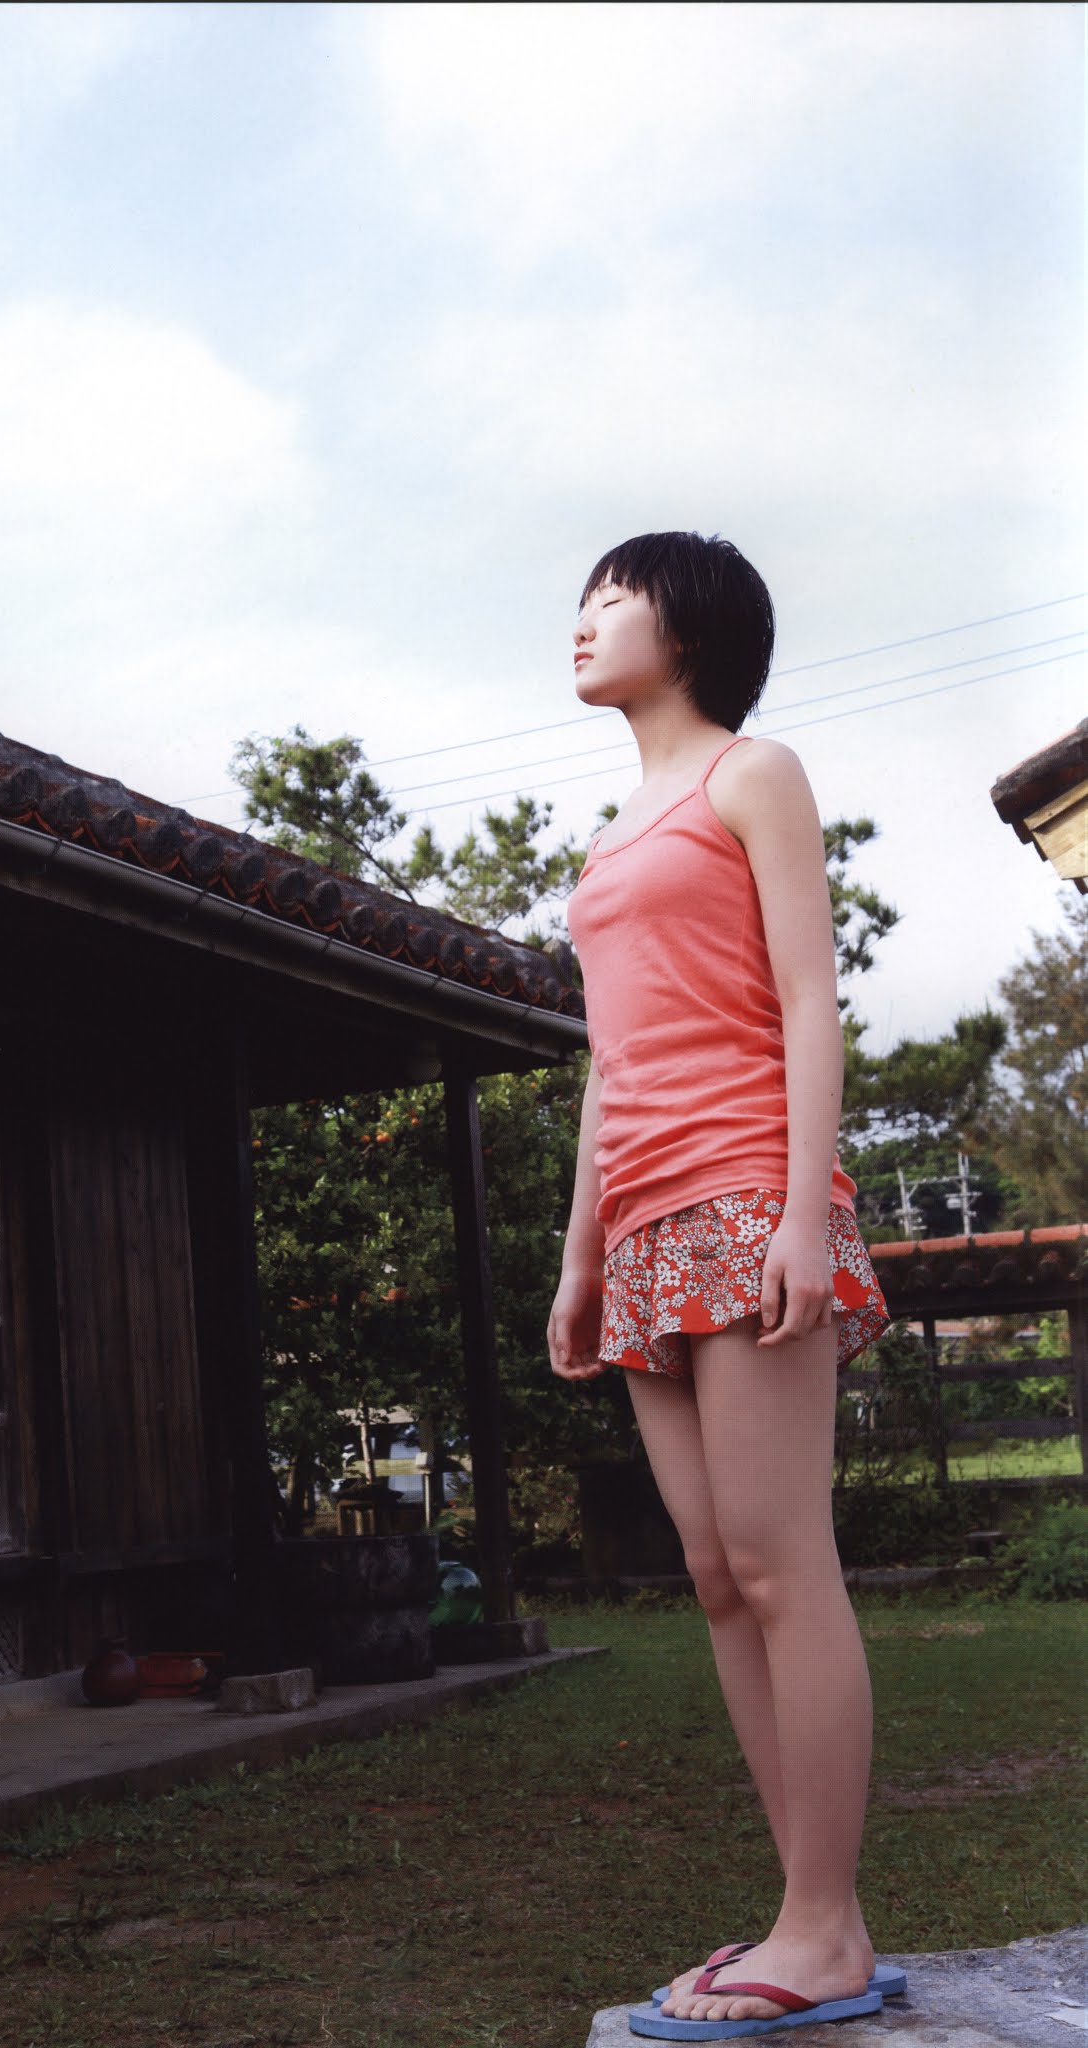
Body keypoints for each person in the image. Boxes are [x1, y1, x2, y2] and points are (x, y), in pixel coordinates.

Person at [548, 532, 892, 2039]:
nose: (583, 620)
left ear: (688, 627)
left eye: (612, 597)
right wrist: (581, 1257)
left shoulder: (754, 775)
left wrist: (807, 1214)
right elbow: (607, 1063)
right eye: (582, 598)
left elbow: (813, 995)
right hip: (642, 1223)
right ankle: (808, 1915)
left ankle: (823, 1926)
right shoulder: (610, 837)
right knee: (711, 1575)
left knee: (777, 1559)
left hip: (750, 1193)